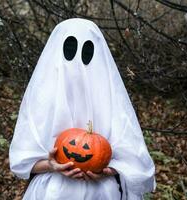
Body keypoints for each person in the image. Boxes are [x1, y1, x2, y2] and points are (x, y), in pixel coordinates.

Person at [9, 18, 155, 200]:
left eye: (87, 51)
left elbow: (135, 161)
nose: (77, 61)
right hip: (51, 194)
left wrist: (108, 170)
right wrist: (51, 165)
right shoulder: (41, 96)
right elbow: (21, 160)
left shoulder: (110, 96)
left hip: (103, 193)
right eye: (70, 50)